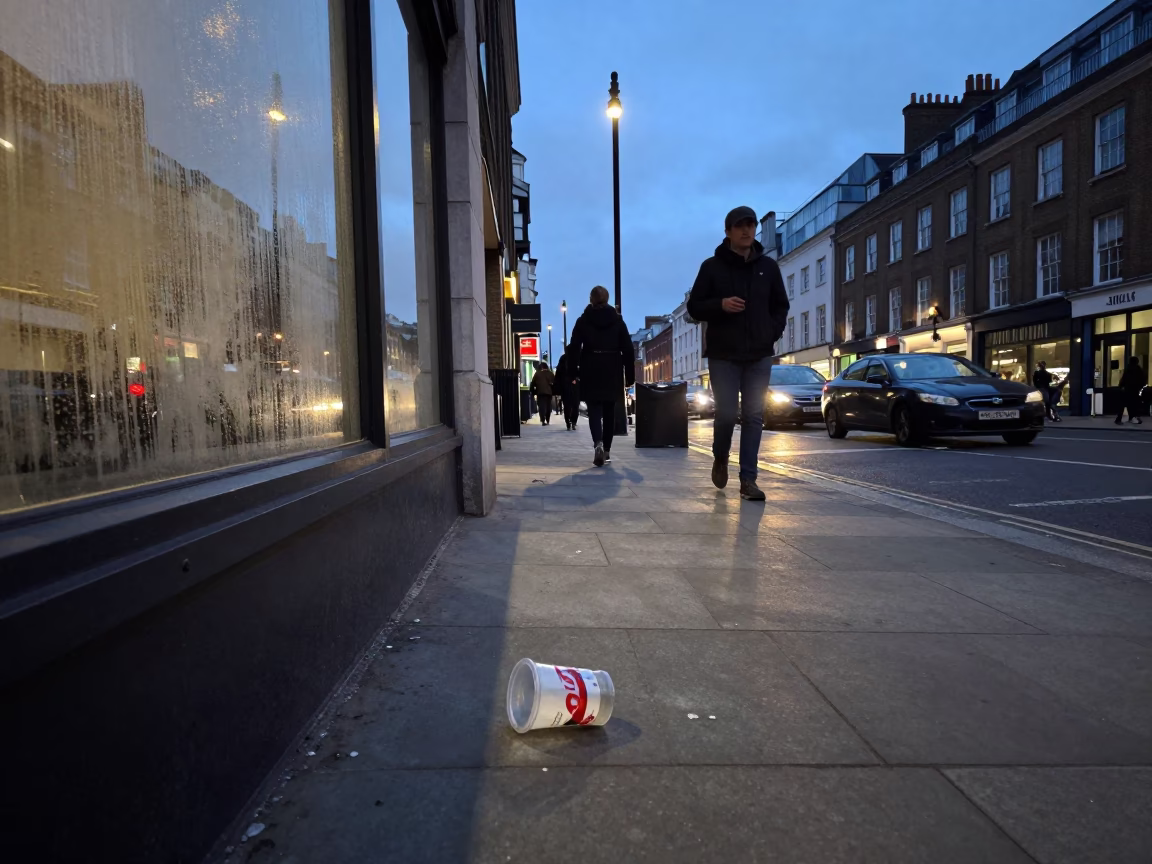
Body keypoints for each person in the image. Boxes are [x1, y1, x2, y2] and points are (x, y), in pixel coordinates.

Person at [686, 206, 788, 501]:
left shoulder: (768, 268)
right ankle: (720, 457)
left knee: (754, 415)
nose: (746, 231)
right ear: (728, 231)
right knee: (728, 414)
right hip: (723, 354)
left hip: (759, 353)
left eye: (751, 225)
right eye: (740, 226)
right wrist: (720, 304)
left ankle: (748, 480)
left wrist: (771, 332)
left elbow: (780, 306)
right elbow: (694, 307)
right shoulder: (711, 267)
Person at [565, 285, 635, 465]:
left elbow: (573, 348)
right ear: (608, 299)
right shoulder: (618, 321)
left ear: (591, 300)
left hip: (591, 366)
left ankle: (598, 443)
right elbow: (628, 348)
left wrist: (573, 371)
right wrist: (630, 375)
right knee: (609, 410)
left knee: (594, 409)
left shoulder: (583, 320)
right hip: (613, 366)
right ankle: (608, 451)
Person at [1116, 356, 1146, 425]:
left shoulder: (1128, 369)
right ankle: (1132, 418)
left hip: (1127, 390)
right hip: (1134, 390)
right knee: (1133, 404)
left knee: (1123, 405)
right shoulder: (1138, 369)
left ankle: (1119, 419)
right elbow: (1142, 379)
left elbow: (1124, 379)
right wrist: (1140, 387)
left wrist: (1121, 386)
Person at [555, 352, 580, 431]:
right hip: (575, 386)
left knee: (567, 405)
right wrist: (576, 379)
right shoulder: (577, 358)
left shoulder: (563, 358)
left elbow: (558, 375)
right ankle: (573, 422)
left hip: (565, 386)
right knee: (575, 405)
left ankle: (568, 422)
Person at [530, 361, 555, 425]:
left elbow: (532, 384)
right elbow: (555, 383)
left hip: (540, 392)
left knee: (541, 406)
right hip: (549, 393)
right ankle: (548, 419)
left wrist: (532, 392)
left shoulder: (537, 374)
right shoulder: (550, 373)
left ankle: (543, 420)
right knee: (548, 406)